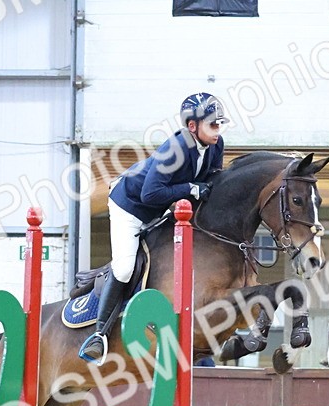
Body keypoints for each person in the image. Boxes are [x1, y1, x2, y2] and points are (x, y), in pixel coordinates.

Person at [79, 93, 228, 363]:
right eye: (213, 125)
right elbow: (150, 194)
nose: (218, 131)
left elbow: (212, 180)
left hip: (163, 208)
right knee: (125, 267)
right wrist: (190, 188)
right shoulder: (174, 149)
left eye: (219, 125)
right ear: (192, 126)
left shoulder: (216, 146)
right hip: (131, 207)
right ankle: (99, 335)